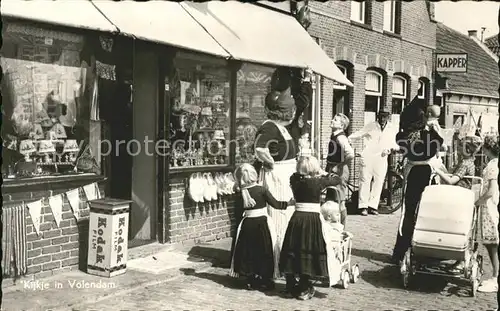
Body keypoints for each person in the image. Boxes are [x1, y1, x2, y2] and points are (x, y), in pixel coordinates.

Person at [254, 67, 312, 255]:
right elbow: (259, 148)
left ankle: (284, 255)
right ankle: (275, 257)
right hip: (276, 179)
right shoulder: (270, 127)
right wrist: (270, 164)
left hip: (285, 179)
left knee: (286, 217)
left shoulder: (282, 127)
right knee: (277, 218)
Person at [279, 156, 343, 300]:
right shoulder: (318, 182)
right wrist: (321, 171)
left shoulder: (295, 180)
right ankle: (303, 285)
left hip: (298, 217)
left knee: (293, 247)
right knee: (308, 248)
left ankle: (290, 283)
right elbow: (337, 179)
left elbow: (295, 175)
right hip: (312, 219)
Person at [391, 100, 444, 263]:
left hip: (413, 173)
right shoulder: (430, 136)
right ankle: (426, 251)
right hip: (426, 173)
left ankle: (401, 251)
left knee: (408, 212)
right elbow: (438, 146)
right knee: (427, 211)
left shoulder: (402, 137)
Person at [229, 163, 282, 291]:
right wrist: (289, 203)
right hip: (262, 224)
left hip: (247, 224)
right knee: (265, 250)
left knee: (248, 251)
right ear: (254, 174)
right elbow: (275, 204)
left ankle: (250, 279)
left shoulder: (240, 194)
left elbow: (237, 214)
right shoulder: (262, 190)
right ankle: (265, 279)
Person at [348, 109, 399, 216]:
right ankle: (363, 206)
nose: (382, 119)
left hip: (382, 158)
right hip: (368, 157)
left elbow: (393, 142)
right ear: (377, 116)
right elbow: (359, 134)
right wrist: (349, 139)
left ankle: (373, 206)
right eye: (380, 116)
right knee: (365, 180)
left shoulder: (391, 128)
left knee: (379, 181)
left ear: (388, 117)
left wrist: (390, 148)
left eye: (384, 116)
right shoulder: (371, 126)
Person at [476, 135, 500, 293]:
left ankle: (495, 277)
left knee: (491, 243)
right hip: (491, 205)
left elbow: (491, 190)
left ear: (486, 149)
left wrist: (479, 200)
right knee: (491, 242)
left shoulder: (492, 165)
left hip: (489, 206)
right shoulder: (494, 163)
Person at [325, 113, 353, 225]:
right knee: (332, 199)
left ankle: (342, 227)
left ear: (341, 125)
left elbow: (350, 154)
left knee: (340, 200)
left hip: (339, 171)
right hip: (333, 168)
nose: (332, 120)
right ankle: (334, 225)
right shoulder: (335, 135)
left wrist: (339, 165)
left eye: (335, 120)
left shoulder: (341, 137)